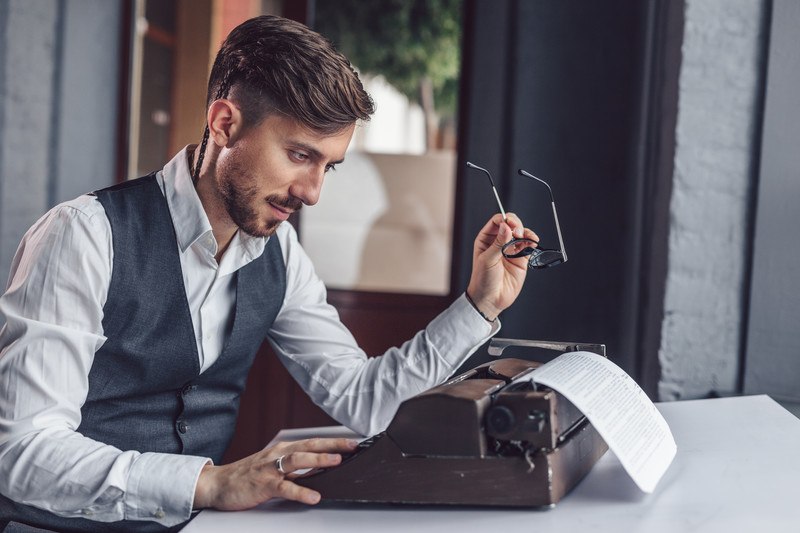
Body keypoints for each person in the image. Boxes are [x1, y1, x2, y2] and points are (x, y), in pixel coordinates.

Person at [0, 14, 537, 533]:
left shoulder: (280, 253)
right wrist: (206, 485)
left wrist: (478, 305)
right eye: (299, 154)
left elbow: (364, 399)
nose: (312, 192)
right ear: (224, 123)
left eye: (328, 165)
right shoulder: (84, 235)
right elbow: (20, 451)